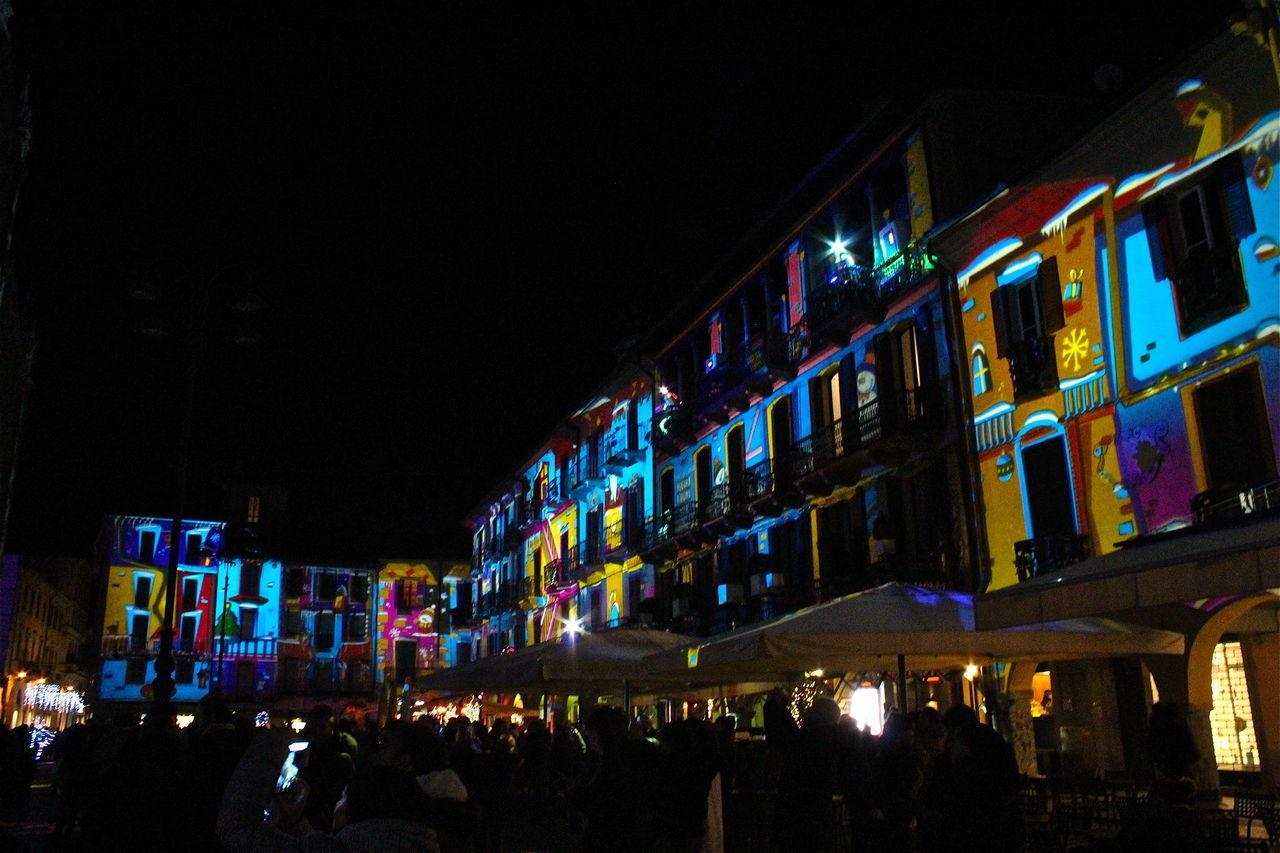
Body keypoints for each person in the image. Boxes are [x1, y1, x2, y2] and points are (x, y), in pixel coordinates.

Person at [217, 729, 441, 852]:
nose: (336, 805)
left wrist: (271, 744)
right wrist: (295, 822)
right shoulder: (424, 833)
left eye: (344, 797)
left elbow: (239, 829)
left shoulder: (352, 845)